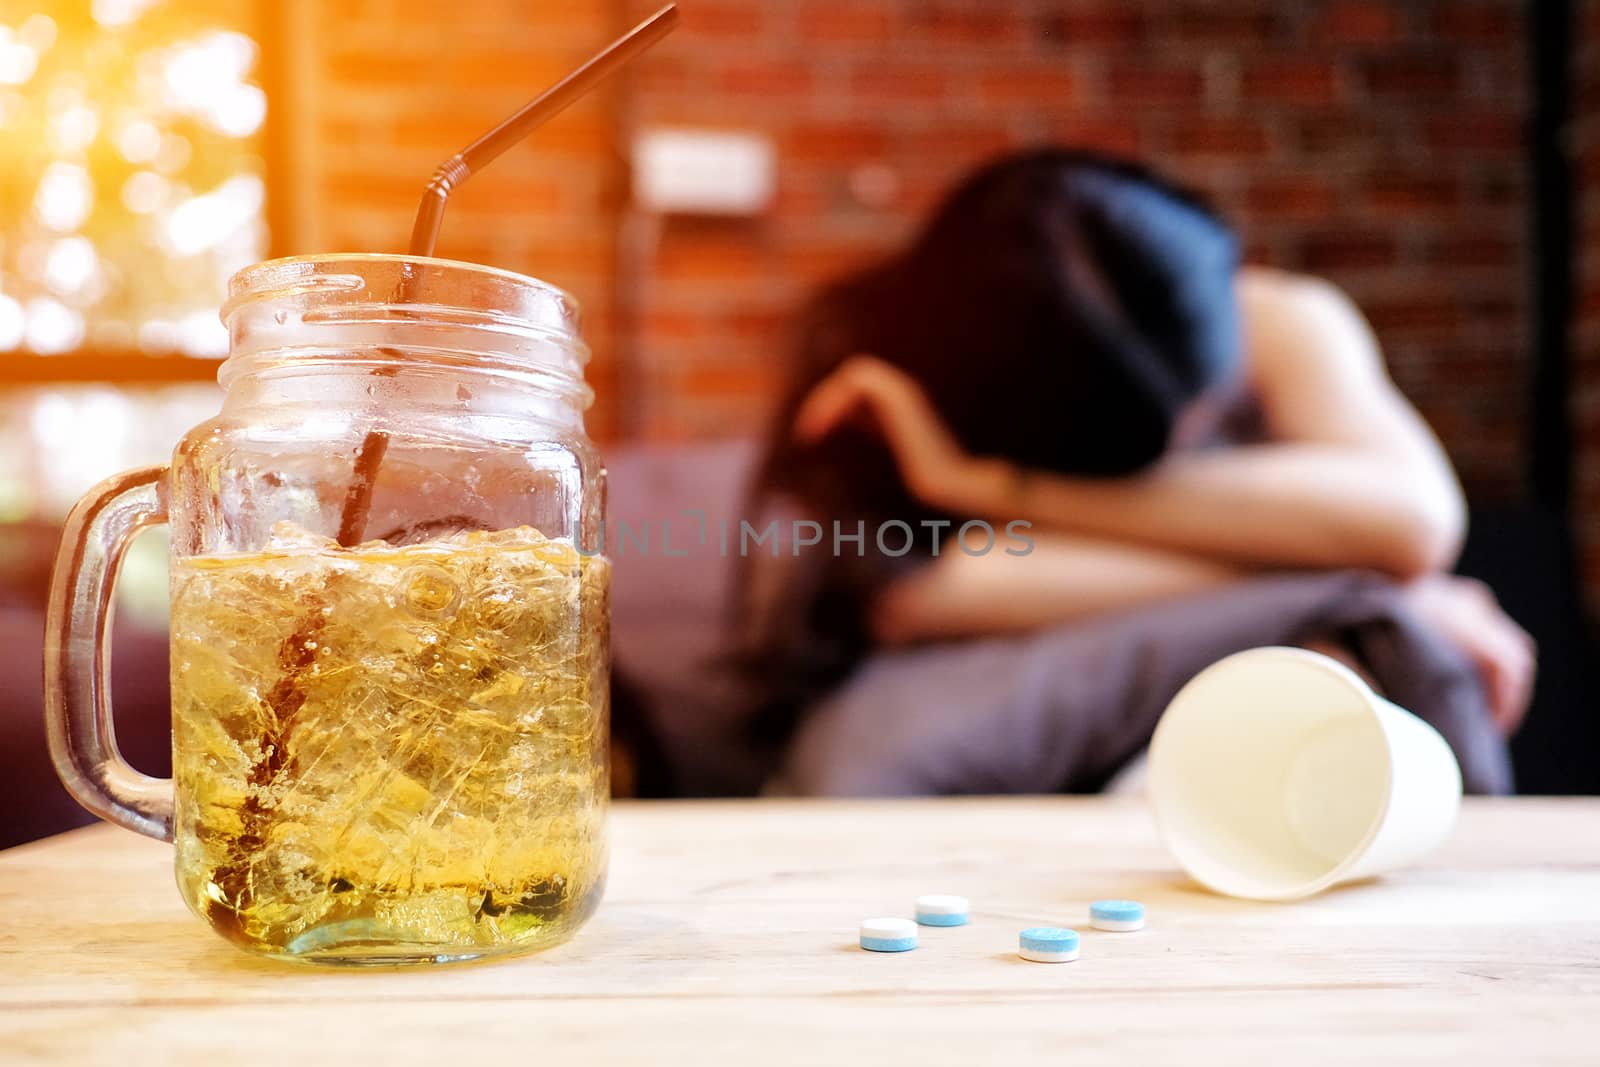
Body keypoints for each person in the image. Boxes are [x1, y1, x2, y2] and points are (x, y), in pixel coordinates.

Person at [738, 147, 1533, 748]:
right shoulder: (888, 380)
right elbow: (914, 596)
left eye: (1210, 402)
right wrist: (1348, 583)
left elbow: (1414, 525)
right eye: (1154, 450)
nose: (1194, 440)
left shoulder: (1275, 317)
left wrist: (983, 484)